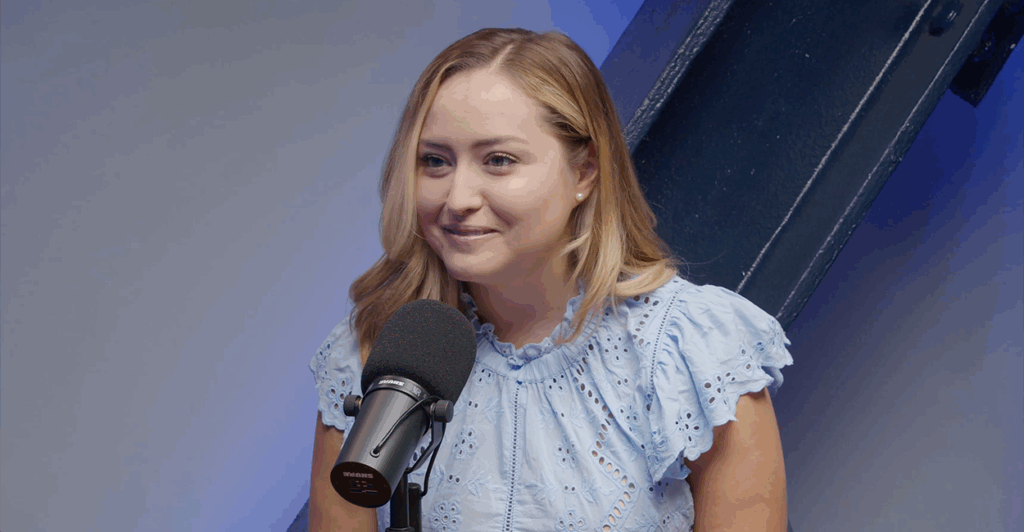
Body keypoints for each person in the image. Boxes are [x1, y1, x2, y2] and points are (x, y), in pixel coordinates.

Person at [308, 28, 793, 532]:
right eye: (435, 161)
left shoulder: (692, 349)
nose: (457, 198)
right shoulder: (373, 348)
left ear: (584, 172)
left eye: (498, 161)